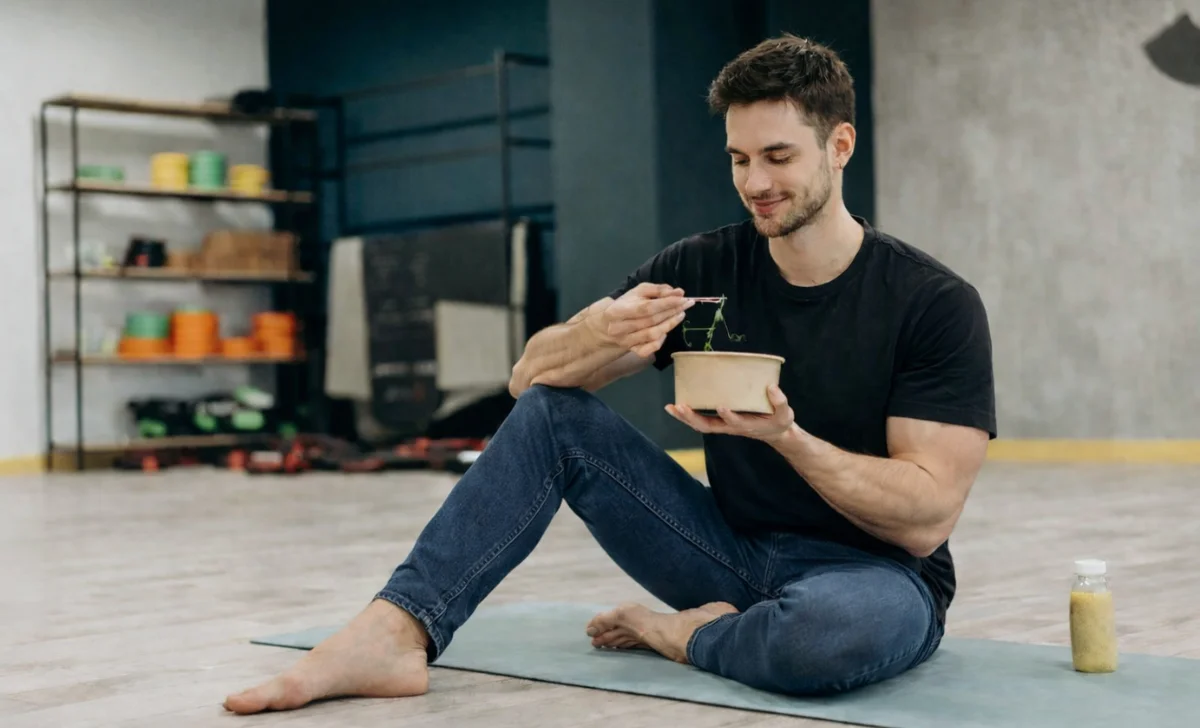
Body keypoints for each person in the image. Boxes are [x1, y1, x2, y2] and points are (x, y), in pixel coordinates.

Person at [223, 34, 995, 715]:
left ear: (840, 147)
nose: (755, 181)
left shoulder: (932, 303)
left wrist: (790, 440)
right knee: (557, 415)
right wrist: (594, 330)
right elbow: (532, 384)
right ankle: (396, 630)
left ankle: (684, 633)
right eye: (738, 158)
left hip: (874, 580)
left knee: (827, 641)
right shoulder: (703, 271)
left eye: (778, 156)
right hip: (726, 550)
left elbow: (923, 519)